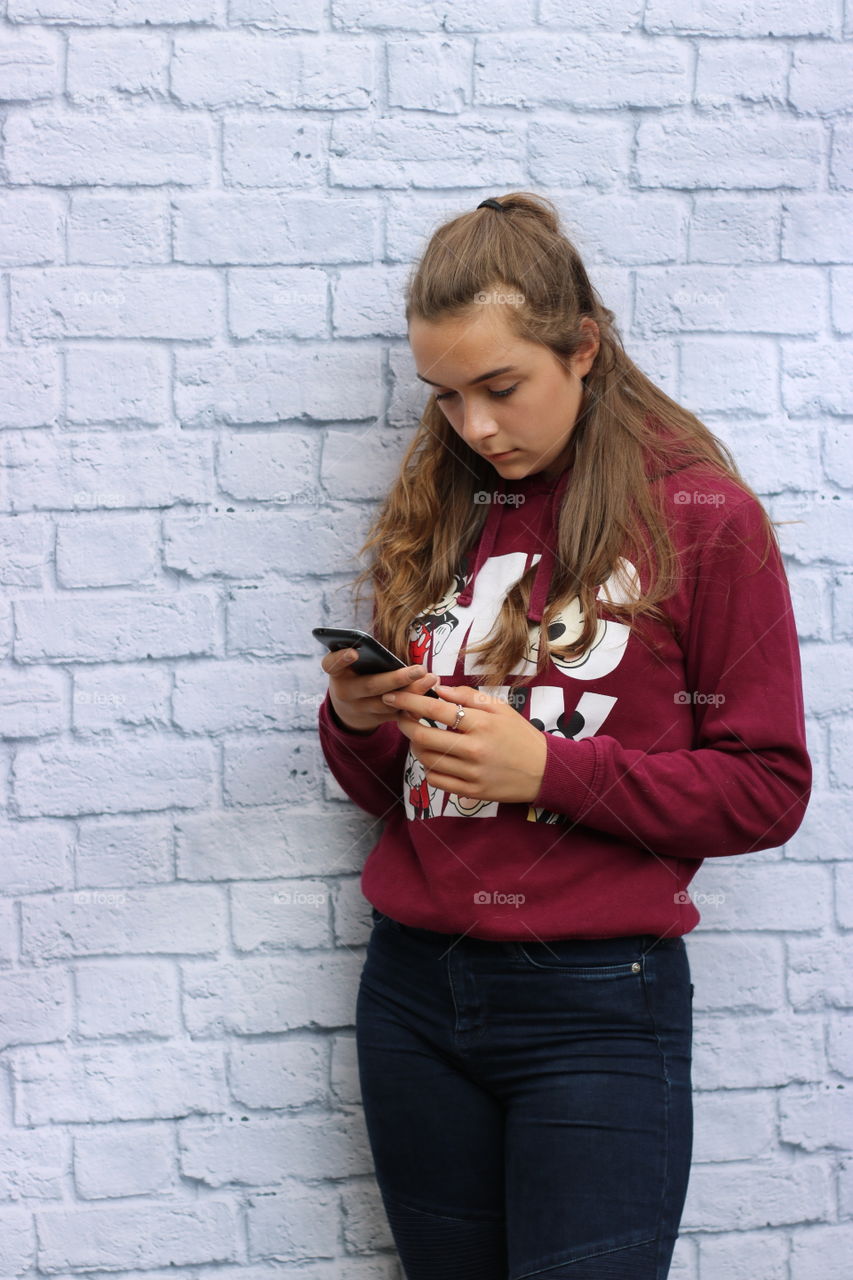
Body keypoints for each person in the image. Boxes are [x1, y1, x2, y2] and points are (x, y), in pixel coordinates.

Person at [316, 192, 812, 1280]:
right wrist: (358, 721)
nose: (475, 426)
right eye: (445, 397)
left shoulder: (700, 516)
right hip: (413, 992)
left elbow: (767, 788)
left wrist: (547, 769)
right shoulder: (445, 506)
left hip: (596, 1007)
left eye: (501, 387)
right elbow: (395, 788)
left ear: (582, 347)